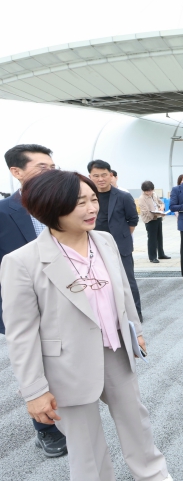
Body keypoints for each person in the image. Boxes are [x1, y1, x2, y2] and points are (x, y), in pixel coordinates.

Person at [0, 170, 171, 481]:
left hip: (116, 352)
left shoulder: (104, 240)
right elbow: (21, 334)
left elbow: (122, 291)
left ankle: (154, 475)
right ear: (51, 207)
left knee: (138, 427)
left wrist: (136, 331)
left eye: (93, 199)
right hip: (66, 365)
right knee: (86, 447)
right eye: (80, 203)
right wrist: (34, 391)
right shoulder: (22, 261)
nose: (92, 208)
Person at [0, 144, 67, 458]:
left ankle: (70, 415)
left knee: (64, 363)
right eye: (42, 167)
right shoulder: (4, 213)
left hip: (67, 302)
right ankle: (46, 430)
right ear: (16, 172)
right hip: (26, 307)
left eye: (52, 167)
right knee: (35, 366)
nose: (50, 172)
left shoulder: (62, 205)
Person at [87, 160, 142, 321]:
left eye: (104, 175)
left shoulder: (123, 196)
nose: (100, 179)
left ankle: (135, 315)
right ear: (90, 177)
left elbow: (133, 220)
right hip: (94, 245)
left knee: (128, 281)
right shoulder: (88, 197)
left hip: (120, 246)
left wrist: (122, 236)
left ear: (111, 175)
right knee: (99, 281)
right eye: (96, 176)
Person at [139, 180, 171, 263]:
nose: (149, 193)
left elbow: (161, 202)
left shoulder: (154, 194)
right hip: (150, 220)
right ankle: (152, 257)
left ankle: (161, 254)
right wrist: (157, 214)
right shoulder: (142, 198)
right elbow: (146, 212)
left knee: (159, 237)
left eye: (151, 190)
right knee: (152, 239)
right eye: (147, 191)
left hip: (158, 217)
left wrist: (162, 207)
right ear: (144, 190)